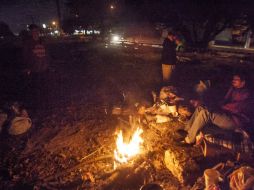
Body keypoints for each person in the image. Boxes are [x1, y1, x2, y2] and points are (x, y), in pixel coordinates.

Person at [182, 72, 252, 144]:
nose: (233, 80)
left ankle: (189, 140)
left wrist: (215, 107)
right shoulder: (233, 89)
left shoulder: (246, 94)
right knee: (201, 107)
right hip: (227, 114)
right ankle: (188, 130)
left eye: (236, 79)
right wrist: (209, 105)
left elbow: (233, 107)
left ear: (243, 82)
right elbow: (224, 101)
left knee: (206, 113)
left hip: (235, 121)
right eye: (233, 78)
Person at [22, 24, 50, 111]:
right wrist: (27, 68)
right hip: (34, 70)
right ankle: (37, 106)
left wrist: (48, 64)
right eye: (33, 31)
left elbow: (46, 54)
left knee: (44, 87)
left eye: (36, 31)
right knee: (36, 89)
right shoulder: (28, 43)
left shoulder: (42, 42)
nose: (35, 33)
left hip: (44, 69)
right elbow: (25, 56)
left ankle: (45, 104)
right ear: (31, 32)